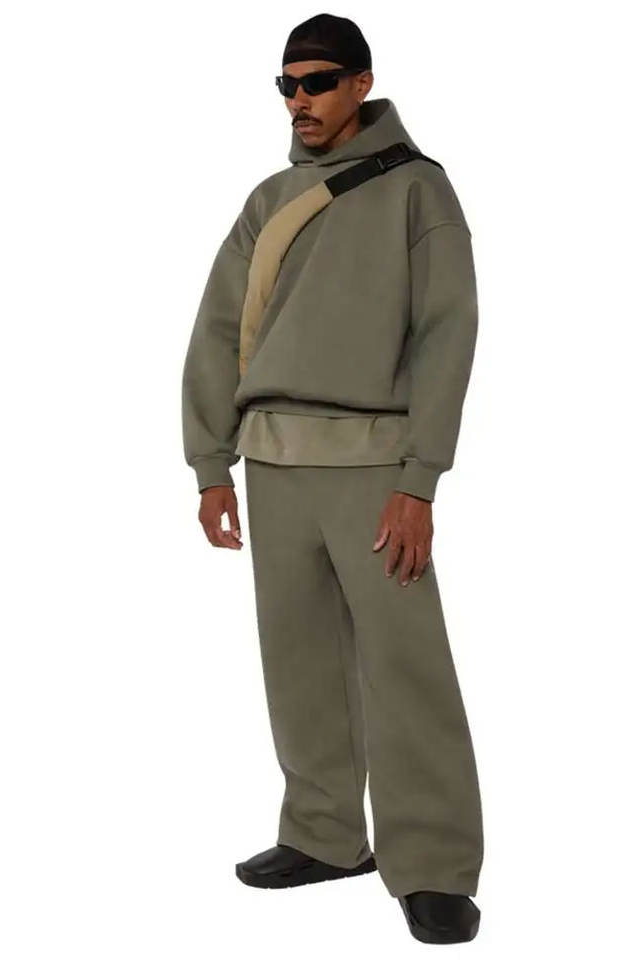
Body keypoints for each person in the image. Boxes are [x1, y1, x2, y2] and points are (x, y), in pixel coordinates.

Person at [181, 13, 484, 945]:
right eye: (287, 85)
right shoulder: (271, 198)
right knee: (299, 659)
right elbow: (219, 328)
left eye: (316, 82)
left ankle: (432, 865)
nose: (299, 100)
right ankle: (323, 834)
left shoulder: (417, 190)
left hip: (374, 465)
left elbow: (447, 336)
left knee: (405, 667)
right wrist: (211, 463)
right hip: (273, 462)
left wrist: (419, 481)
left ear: (362, 84)